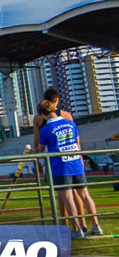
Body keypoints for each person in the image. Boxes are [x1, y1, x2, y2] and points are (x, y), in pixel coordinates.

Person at [37, 99, 103, 238]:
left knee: (67, 198)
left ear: (42, 114)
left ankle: (77, 229)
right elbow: (77, 142)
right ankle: (96, 225)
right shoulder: (71, 123)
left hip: (60, 167)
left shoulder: (45, 129)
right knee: (85, 195)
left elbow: (40, 149)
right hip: (76, 164)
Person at [32, 88, 87, 232]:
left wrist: (38, 162)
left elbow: (37, 142)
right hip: (73, 158)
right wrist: (80, 157)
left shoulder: (38, 118)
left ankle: (66, 225)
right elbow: (76, 140)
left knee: (63, 194)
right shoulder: (67, 115)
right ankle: (83, 223)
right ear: (56, 100)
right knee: (77, 193)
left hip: (55, 161)